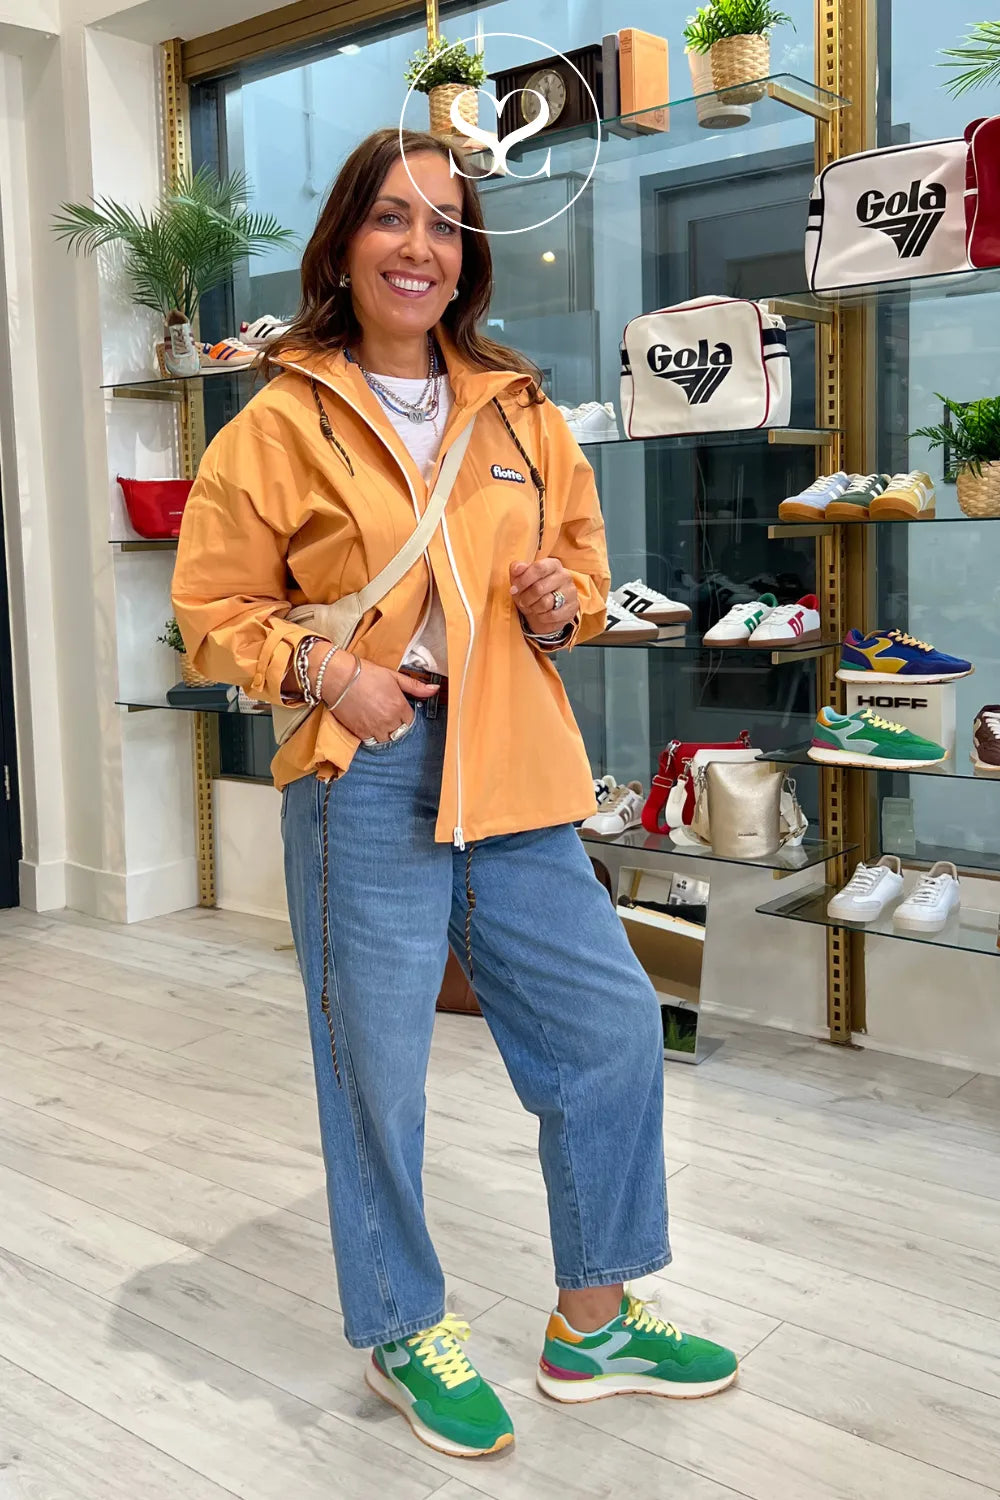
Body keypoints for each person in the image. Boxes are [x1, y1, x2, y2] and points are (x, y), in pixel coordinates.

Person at [172, 127, 737, 1460]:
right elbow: (210, 612)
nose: (418, 245)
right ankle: (403, 1326)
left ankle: (593, 1319)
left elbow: (581, 579)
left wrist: (557, 601)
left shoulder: (520, 408)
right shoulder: (280, 422)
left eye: (444, 222)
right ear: (344, 244)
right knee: (377, 1069)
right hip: (366, 770)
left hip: (517, 763)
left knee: (609, 1026)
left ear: (469, 255)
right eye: (391, 216)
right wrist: (326, 671)